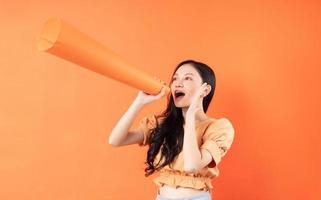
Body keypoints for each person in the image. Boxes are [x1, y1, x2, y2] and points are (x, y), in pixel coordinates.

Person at [109, 59, 235, 200]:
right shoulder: (162, 124)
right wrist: (139, 102)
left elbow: (192, 165)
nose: (178, 83)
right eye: (175, 78)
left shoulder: (218, 127)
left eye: (187, 78)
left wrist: (190, 115)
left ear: (205, 90)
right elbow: (115, 140)